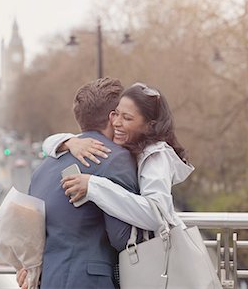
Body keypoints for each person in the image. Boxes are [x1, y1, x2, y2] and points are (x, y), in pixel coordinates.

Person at [18, 77, 139, 289]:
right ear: (113, 117)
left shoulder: (43, 169)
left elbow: (33, 234)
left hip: (49, 280)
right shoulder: (116, 159)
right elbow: (122, 238)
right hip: (90, 281)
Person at [43, 82, 194, 233]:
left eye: (127, 118)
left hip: (158, 253)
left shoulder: (156, 156)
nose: (116, 122)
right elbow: (47, 145)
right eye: (116, 114)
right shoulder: (127, 146)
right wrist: (69, 142)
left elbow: (157, 216)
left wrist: (93, 186)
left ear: (149, 126)